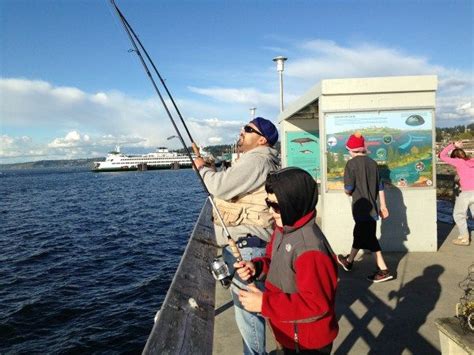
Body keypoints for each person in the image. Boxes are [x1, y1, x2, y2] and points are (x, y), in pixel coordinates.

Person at [194, 117, 279, 355]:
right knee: (251, 310)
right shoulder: (258, 160)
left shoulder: (257, 160)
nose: (241, 132)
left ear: (262, 140)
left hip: (247, 247)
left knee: (248, 313)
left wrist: (202, 168)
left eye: (248, 130)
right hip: (250, 245)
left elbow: (219, 186)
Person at [235, 167, 339, 354]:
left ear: (294, 203)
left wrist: (264, 304)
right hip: (287, 333)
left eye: (276, 205)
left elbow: (316, 305)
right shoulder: (282, 229)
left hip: (307, 343)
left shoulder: (309, 250)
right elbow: (273, 261)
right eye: (268, 202)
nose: (270, 210)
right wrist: (256, 267)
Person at [336, 132, 393, 283]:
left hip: (361, 209)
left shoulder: (351, 164)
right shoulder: (373, 163)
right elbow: (380, 187)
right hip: (373, 209)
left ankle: (383, 270)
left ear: (351, 150)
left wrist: (347, 191)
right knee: (360, 235)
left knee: (369, 239)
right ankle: (349, 261)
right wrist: (384, 206)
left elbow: (349, 188)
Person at [439, 141, 474, 246]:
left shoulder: (458, 162)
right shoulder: (472, 161)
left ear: (455, 157)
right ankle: (463, 235)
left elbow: (441, 155)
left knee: (458, 215)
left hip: (466, 192)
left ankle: (464, 238)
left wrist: (453, 145)